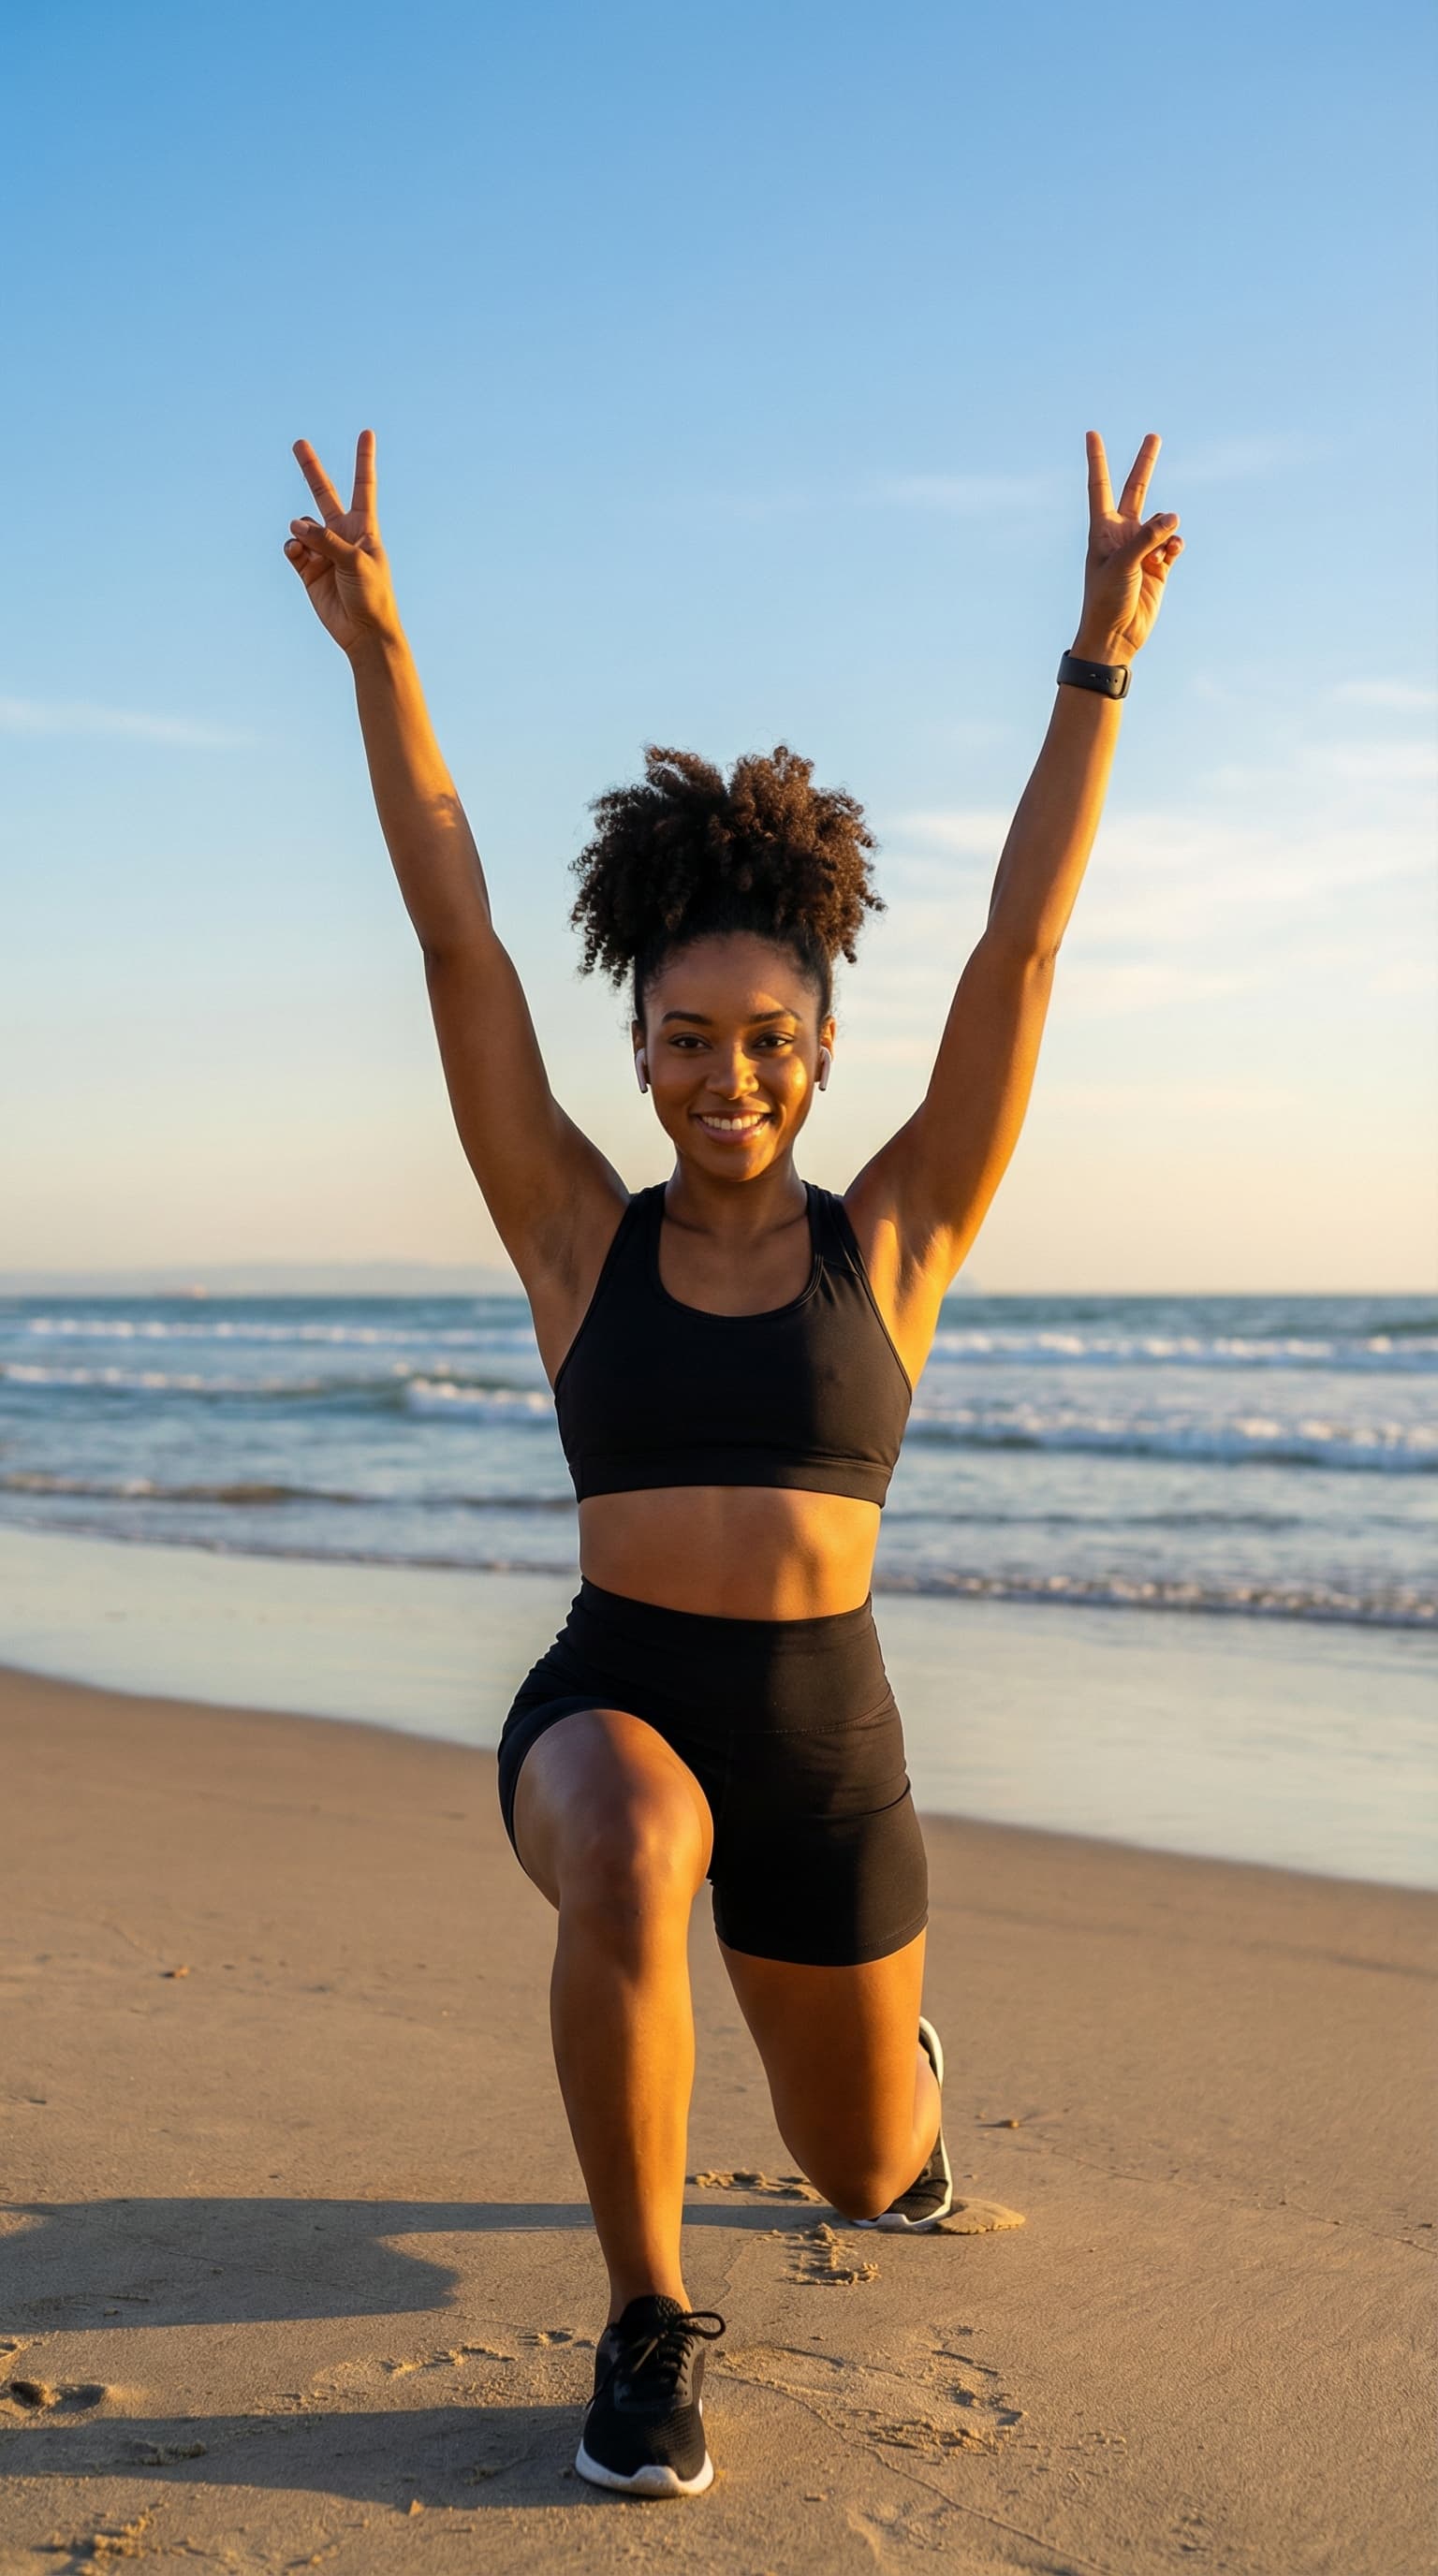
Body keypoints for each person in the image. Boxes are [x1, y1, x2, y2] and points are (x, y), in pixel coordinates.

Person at [284, 428, 1182, 2497]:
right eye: (688, 1037)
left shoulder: (904, 1239)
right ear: (641, 1051)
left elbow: (1017, 957)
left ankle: (906, 2118)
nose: (727, 1074)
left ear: (822, 1049)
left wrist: (1097, 657)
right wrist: (379, 651)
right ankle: (641, 2317)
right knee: (626, 1832)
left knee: (866, 2169)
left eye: (767, 1037)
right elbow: (460, 946)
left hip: (827, 1746)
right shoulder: (570, 1235)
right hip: (613, 1700)